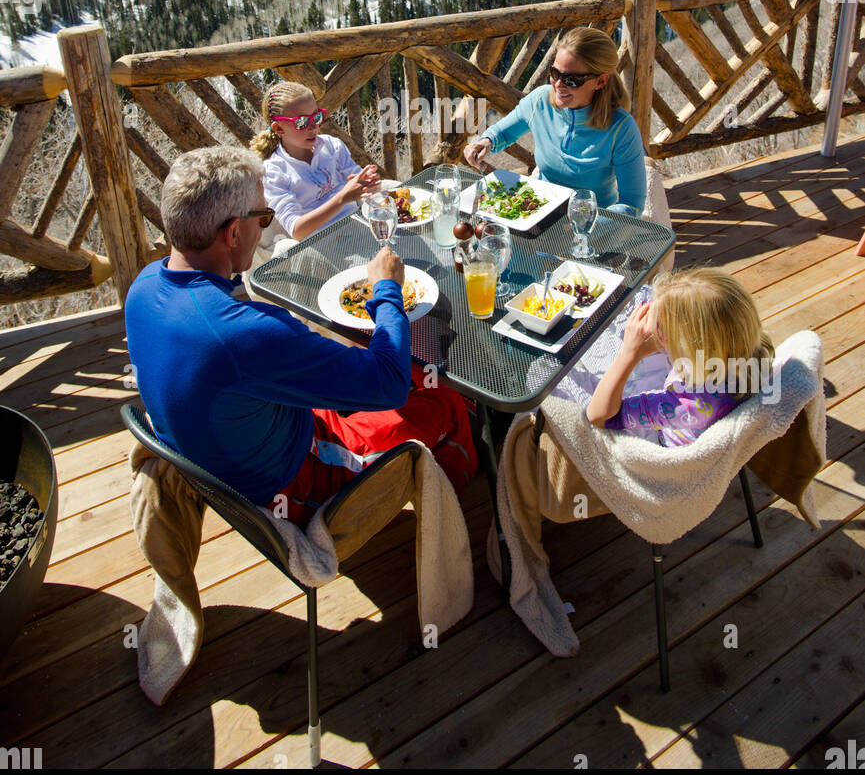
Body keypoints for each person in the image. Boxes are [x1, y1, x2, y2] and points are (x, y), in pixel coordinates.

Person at [125, 146, 477, 525]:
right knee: (447, 399)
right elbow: (388, 385)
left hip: (250, 436)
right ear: (231, 233)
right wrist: (387, 289)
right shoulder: (244, 332)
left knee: (409, 368)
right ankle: (457, 513)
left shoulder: (142, 287)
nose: (264, 225)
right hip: (298, 481)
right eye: (262, 218)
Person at [464, 26, 647, 215]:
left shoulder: (621, 128)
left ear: (600, 82)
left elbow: (632, 204)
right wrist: (485, 142)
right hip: (539, 212)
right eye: (555, 73)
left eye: (572, 80)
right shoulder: (540, 101)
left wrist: (587, 225)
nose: (559, 85)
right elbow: (502, 133)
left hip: (594, 225)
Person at [584, 267, 775, 446]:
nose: (657, 329)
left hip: (663, 439)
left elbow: (600, 416)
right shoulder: (756, 351)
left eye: (663, 328)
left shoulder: (685, 405)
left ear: (692, 345)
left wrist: (629, 352)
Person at [250, 81, 381, 241]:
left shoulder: (331, 146)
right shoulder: (274, 171)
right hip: (322, 245)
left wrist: (368, 182)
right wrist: (342, 198)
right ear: (279, 128)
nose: (313, 127)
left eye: (316, 116)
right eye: (301, 122)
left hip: (360, 224)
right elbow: (297, 230)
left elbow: (361, 184)